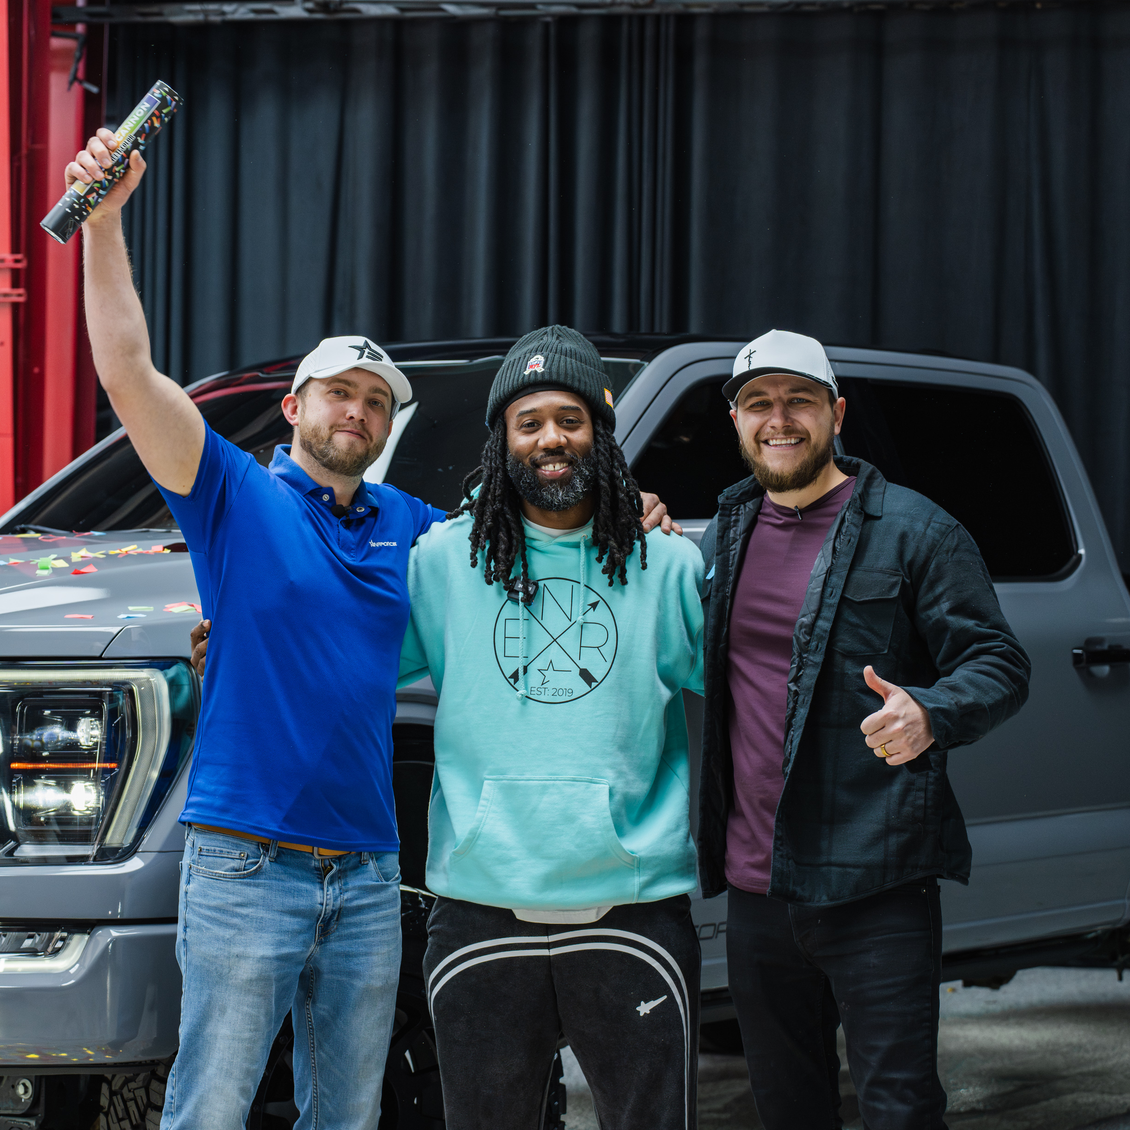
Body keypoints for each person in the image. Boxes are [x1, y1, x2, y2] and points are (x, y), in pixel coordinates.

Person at [68, 130, 442, 1129]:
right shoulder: (231, 493)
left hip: (368, 871)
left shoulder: (412, 523)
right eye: (339, 392)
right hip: (245, 862)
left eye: (376, 402)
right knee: (209, 1111)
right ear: (293, 406)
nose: (357, 411)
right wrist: (103, 221)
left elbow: (530, 535)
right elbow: (128, 370)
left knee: (346, 1117)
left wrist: (637, 511)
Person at [696, 329, 1031, 1130]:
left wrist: (931, 711)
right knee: (787, 1109)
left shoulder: (916, 530)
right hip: (757, 888)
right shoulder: (726, 532)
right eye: (758, 404)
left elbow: (999, 662)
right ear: (737, 422)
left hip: (875, 882)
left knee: (900, 1110)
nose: (780, 420)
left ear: (837, 413)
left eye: (800, 401)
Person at [395, 326, 705, 1130]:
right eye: (528, 422)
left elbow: (750, 686)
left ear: (600, 431)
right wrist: (241, 648)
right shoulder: (443, 561)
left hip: (631, 901)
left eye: (570, 419)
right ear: (501, 441)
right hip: (480, 900)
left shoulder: (667, 563)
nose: (550, 439)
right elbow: (346, 668)